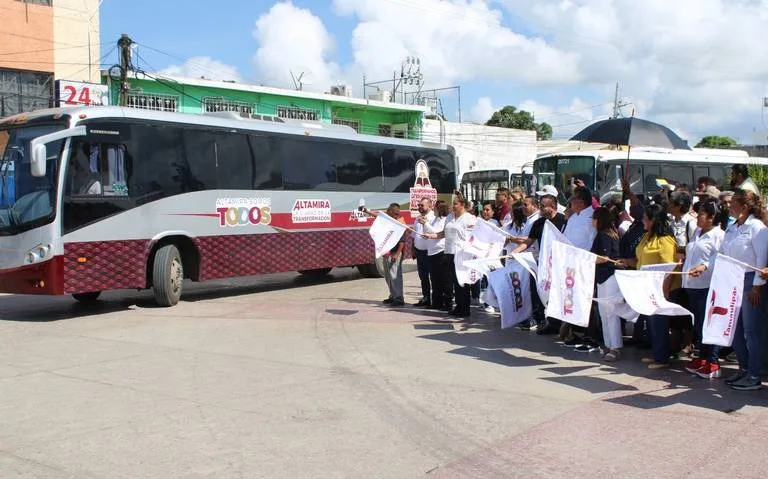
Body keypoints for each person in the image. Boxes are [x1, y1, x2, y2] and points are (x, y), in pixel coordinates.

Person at [695, 190, 768, 390]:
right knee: (735, 330)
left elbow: (762, 260)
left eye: (733, 202)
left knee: (752, 332)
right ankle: (743, 370)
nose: (729, 206)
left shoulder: (757, 227)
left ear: (744, 206)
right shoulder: (732, 228)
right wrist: (705, 267)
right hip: (731, 282)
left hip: (751, 283)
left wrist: (756, 287)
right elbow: (722, 256)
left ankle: (754, 375)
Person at [622, 203, 678, 369]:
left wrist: (664, 292)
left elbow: (670, 268)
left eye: (646, 219)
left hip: (659, 289)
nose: (643, 221)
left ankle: (662, 358)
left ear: (654, 220)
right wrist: (626, 262)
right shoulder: (647, 237)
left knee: (659, 323)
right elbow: (640, 259)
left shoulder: (665, 241)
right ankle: (657, 354)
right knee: (651, 323)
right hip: (646, 287)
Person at [510, 194, 566, 334]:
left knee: (556, 294)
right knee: (538, 290)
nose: (539, 208)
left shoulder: (563, 220)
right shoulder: (539, 223)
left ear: (553, 207)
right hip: (543, 263)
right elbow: (529, 241)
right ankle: (541, 319)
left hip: (559, 264)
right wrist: (515, 252)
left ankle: (559, 323)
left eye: (543, 206)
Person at [683, 199, 726, 378]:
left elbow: (720, 257)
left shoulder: (719, 235)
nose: (698, 217)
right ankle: (702, 357)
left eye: (701, 214)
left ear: (712, 217)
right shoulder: (697, 232)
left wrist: (704, 266)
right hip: (692, 285)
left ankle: (713, 361)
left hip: (706, 285)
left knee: (709, 323)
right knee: (699, 324)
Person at [423, 196, 477, 319]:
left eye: (456, 204)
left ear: (463, 204)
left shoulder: (470, 219)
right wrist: (431, 235)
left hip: (462, 254)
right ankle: (458, 306)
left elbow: (473, 237)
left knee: (462, 281)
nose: (453, 206)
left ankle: (465, 309)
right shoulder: (450, 217)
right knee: (454, 282)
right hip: (449, 253)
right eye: (453, 204)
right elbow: (443, 233)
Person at [592, 206, 622, 360]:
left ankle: (614, 346)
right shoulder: (608, 234)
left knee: (610, 312)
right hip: (604, 276)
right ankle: (609, 344)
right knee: (604, 313)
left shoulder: (604, 236)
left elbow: (604, 257)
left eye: (594, 218)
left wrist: (587, 260)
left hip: (609, 277)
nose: (592, 221)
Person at [365, 203, 407, 307]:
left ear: (395, 213)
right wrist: (366, 211)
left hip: (394, 253)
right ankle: (393, 296)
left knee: (395, 276)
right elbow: (378, 216)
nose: (387, 214)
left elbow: (402, 242)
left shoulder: (399, 224)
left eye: (389, 212)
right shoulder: (388, 221)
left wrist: (397, 254)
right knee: (388, 276)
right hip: (386, 253)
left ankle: (399, 298)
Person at [424, 200, 449, 311]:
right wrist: (427, 234)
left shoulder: (444, 220)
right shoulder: (434, 219)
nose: (433, 209)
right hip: (431, 252)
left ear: (440, 209)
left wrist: (425, 224)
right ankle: (437, 302)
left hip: (440, 252)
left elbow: (438, 233)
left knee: (443, 279)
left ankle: (446, 302)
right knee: (434, 279)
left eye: (435, 208)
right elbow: (431, 232)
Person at [412, 198, 435, 307]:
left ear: (429, 206)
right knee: (423, 277)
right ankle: (426, 297)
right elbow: (414, 235)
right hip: (419, 252)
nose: (420, 207)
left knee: (433, 277)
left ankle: (435, 299)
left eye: (422, 205)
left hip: (430, 252)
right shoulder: (417, 218)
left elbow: (435, 233)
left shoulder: (433, 217)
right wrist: (413, 248)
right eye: (419, 205)